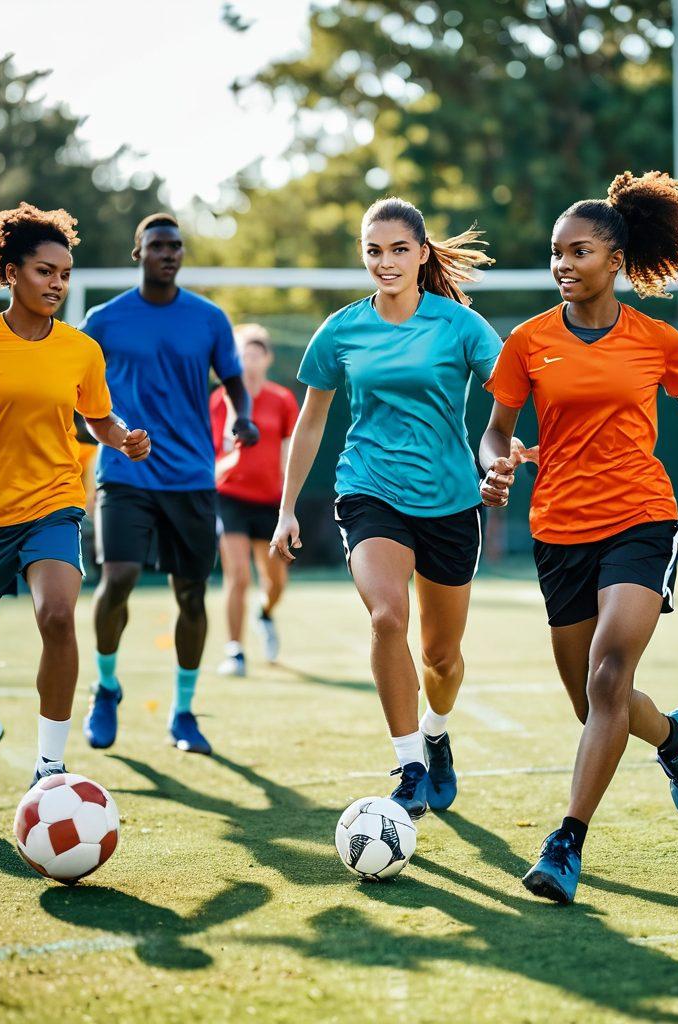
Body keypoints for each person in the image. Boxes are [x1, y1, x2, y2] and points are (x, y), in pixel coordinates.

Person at [479, 170, 678, 904]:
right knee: (595, 704)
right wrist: (495, 467)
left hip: (642, 518)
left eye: (579, 252)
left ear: (615, 260)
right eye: (556, 253)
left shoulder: (656, 340)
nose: (563, 264)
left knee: (606, 677)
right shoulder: (528, 342)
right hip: (559, 527)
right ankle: (674, 738)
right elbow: (496, 429)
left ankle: (566, 844)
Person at [270, 197, 501, 819]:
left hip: (453, 501)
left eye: (399, 249)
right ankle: (408, 766)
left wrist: (505, 456)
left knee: (442, 658)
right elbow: (312, 419)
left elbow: (509, 397)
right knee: (386, 616)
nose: (386, 262)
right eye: (374, 251)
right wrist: (287, 507)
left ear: (423, 254)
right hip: (369, 489)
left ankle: (435, 729)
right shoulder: (342, 330)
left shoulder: (460, 326)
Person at [0, 203, 150, 792]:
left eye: (64, 274)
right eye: (43, 271)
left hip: (53, 504)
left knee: (57, 615)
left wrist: (123, 437)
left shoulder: (81, 350)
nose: (56, 284)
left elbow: (97, 418)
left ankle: (50, 766)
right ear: (10, 272)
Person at [80, 213, 259, 757]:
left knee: (191, 594)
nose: (169, 253)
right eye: (158, 245)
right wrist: (85, 428)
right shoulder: (104, 319)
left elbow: (233, 384)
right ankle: (107, 687)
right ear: (139, 253)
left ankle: (183, 713)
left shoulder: (207, 319)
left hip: (190, 478)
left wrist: (240, 417)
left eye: (176, 246)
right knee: (119, 578)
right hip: (126, 472)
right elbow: (74, 386)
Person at [212, 324, 299, 674]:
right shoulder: (219, 401)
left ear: (267, 359)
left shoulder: (282, 399)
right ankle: (234, 651)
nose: (249, 360)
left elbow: (289, 450)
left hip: (271, 502)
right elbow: (208, 452)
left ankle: (264, 614)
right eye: (243, 353)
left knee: (275, 581)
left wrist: (287, 501)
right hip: (229, 497)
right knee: (238, 575)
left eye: (256, 353)